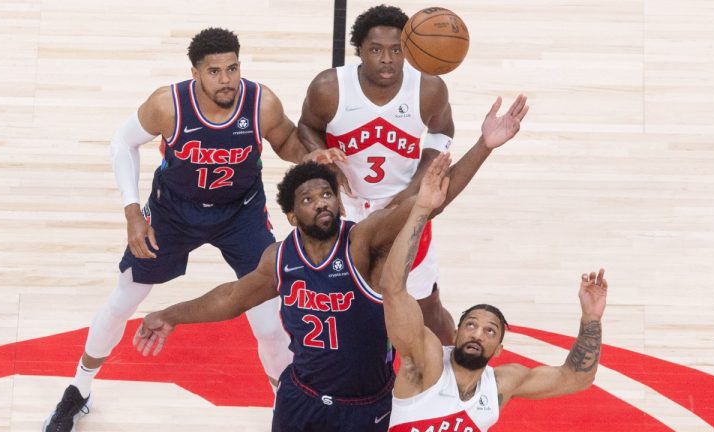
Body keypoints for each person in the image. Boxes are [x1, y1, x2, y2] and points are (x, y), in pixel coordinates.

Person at [132, 95, 528, 431]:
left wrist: (484, 146)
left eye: (327, 194)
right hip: (299, 397)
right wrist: (172, 313)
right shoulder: (281, 258)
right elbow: (233, 297)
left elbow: (429, 202)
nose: (322, 201)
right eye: (308, 199)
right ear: (291, 216)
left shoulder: (362, 240)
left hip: (364, 406)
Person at [42, 27, 320, 432]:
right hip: (173, 212)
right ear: (195, 74)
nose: (226, 80)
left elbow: (286, 143)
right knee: (124, 300)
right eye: (214, 72)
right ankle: (79, 389)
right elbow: (122, 142)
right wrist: (132, 212)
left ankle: (285, 405)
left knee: (268, 320)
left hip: (240, 213)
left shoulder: (261, 102)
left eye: (233, 68)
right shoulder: (167, 104)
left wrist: (314, 154)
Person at [379, 190, 608, 431]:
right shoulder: (427, 363)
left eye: (490, 331)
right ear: (455, 335)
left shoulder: (499, 385)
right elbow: (392, 289)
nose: (478, 334)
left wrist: (591, 318)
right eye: (471, 325)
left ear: (499, 349)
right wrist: (421, 210)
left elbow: (576, 378)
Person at [298, 4, 459, 344]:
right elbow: (306, 127)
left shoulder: (429, 89)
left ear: (409, 51)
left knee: (426, 307)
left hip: (403, 204)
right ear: (360, 51)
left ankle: (457, 375)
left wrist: (417, 184)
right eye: (376, 50)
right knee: (341, 301)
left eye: (396, 50)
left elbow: (442, 133)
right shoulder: (329, 88)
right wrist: (320, 159)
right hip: (347, 208)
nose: (387, 59)